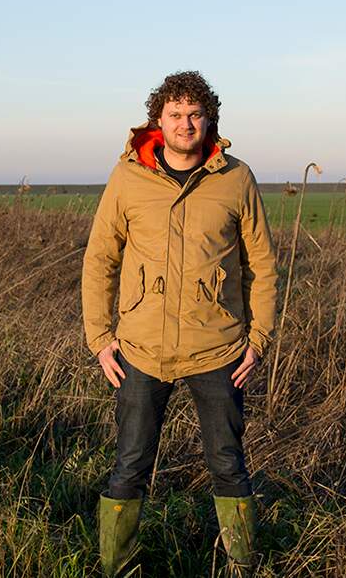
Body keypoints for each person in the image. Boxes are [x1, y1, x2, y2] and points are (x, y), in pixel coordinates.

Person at [81, 70, 278, 576]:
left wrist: (258, 339)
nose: (185, 123)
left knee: (229, 466)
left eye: (195, 114)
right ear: (158, 120)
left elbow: (262, 263)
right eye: (175, 114)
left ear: (210, 119)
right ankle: (117, 568)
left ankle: (242, 566)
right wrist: (100, 338)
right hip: (140, 350)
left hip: (219, 350)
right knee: (129, 466)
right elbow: (101, 257)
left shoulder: (236, 178)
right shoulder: (128, 177)